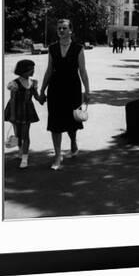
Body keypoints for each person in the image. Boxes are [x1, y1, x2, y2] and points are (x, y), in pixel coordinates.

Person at [39, 19, 90, 170]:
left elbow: (82, 71)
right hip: (55, 89)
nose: (61, 30)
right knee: (55, 122)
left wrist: (87, 91)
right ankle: (57, 156)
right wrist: (42, 90)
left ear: (70, 31)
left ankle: (73, 142)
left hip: (72, 88)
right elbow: (49, 70)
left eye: (64, 28)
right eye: (59, 28)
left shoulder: (78, 48)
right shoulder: (52, 48)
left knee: (72, 121)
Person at [4, 59, 42, 169]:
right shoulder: (14, 84)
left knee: (25, 134)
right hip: (16, 110)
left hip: (28, 111)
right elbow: (12, 100)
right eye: (31, 69)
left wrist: (43, 98)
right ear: (24, 70)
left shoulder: (33, 83)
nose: (33, 71)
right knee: (18, 134)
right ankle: (20, 151)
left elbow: (37, 97)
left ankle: (25, 158)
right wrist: (12, 116)